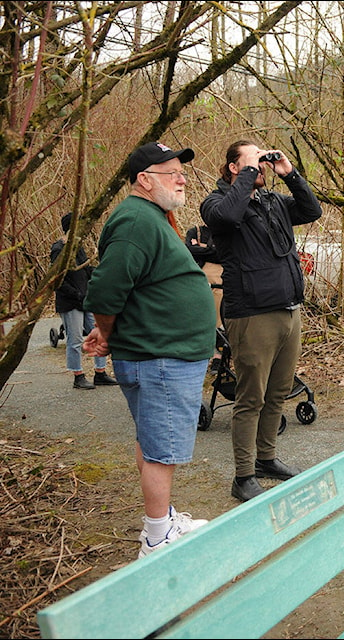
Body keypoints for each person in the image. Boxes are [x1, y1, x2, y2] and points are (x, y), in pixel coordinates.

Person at [83, 141, 217, 559]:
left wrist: (108, 333)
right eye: (172, 171)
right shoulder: (136, 220)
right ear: (145, 180)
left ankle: (165, 520)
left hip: (162, 355)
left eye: (182, 171)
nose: (182, 178)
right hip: (160, 357)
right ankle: (157, 538)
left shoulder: (152, 217)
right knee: (163, 451)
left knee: (152, 440)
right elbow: (105, 290)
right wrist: (105, 334)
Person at [200, 140, 322, 502]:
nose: (261, 166)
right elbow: (227, 218)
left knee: (278, 392)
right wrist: (250, 170)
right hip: (251, 314)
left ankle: (267, 459)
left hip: (288, 309)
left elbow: (311, 210)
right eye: (251, 161)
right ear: (235, 168)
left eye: (262, 160)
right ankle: (243, 475)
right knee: (250, 397)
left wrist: (291, 173)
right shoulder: (217, 203)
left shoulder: (273, 202)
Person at [50, 212, 118, 390]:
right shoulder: (58, 249)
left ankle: (100, 373)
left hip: (86, 300)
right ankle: (78, 376)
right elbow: (57, 281)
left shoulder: (78, 247)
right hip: (70, 302)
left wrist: (104, 272)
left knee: (100, 333)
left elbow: (86, 270)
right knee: (75, 339)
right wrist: (77, 295)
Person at [185, 223, 224, 329]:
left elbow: (223, 255)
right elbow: (189, 250)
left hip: (218, 285)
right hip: (197, 283)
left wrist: (202, 250)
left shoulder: (224, 232)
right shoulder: (194, 231)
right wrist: (211, 250)